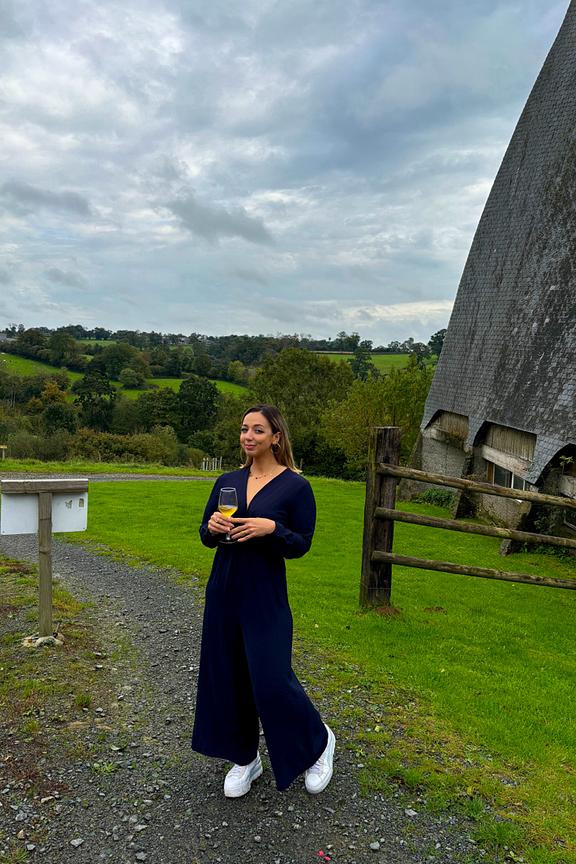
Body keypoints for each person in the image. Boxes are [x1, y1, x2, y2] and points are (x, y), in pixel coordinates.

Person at [192, 404, 335, 797]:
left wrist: (272, 528)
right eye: (244, 429)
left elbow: (301, 544)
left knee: (271, 679)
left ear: (276, 437)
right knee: (228, 675)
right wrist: (212, 526)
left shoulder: (295, 487)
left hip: (264, 592)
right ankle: (245, 757)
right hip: (224, 589)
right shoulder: (228, 481)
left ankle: (318, 741)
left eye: (258, 430)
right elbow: (205, 535)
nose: (248, 436)